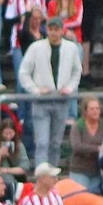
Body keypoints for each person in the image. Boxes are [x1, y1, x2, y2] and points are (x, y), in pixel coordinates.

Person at [19, 19, 83, 168]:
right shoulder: (36, 47)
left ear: (62, 31)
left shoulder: (71, 48)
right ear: (47, 30)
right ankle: (42, 174)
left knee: (55, 143)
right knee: (42, 143)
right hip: (41, 101)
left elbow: (77, 71)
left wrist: (69, 88)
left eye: (56, 29)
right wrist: (36, 90)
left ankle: (53, 173)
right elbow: (24, 72)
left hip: (61, 99)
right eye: (51, 29)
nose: (53, 33)